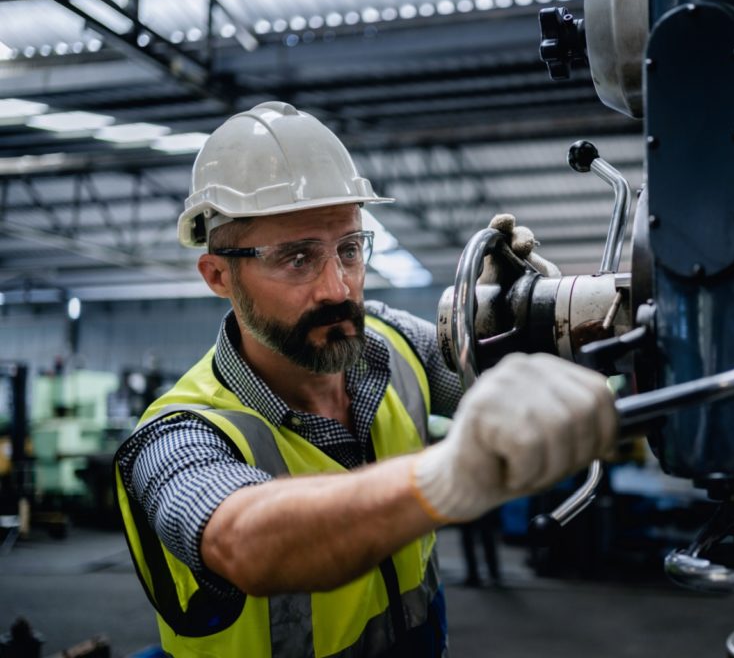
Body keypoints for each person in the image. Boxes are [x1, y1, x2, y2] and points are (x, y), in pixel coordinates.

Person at [113, 101, 618, 657]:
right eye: (298, 258)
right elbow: (245, 542)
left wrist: (521, 323)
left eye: (349, 250)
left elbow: (497, 390)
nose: (338, 288)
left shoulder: (391, 344)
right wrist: (444, 475)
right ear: (219, 275)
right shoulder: (176, 433)